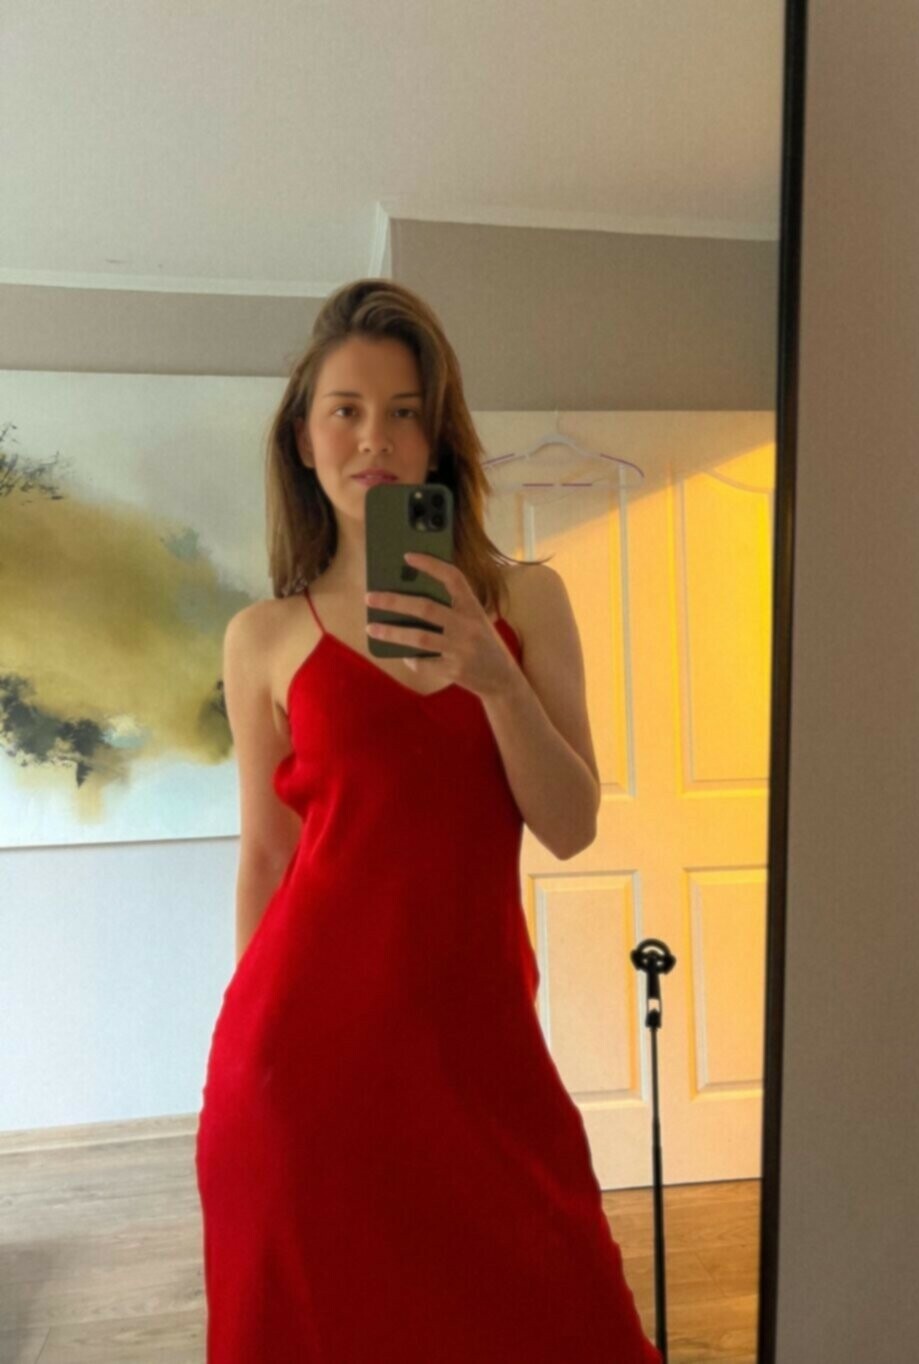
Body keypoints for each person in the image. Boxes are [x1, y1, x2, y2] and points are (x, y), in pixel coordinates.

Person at [194, 278, 662, 1362]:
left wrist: (494, 678)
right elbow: (265, 857)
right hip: (301, 1061)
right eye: (346, 410)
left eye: (405, 411)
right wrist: (247, 1055)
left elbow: (573, 823)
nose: (376, 437)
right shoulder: (264, 635)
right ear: (304, 439)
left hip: (479, 1050)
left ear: (438, 437)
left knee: (563, 1310)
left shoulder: (523, 603)